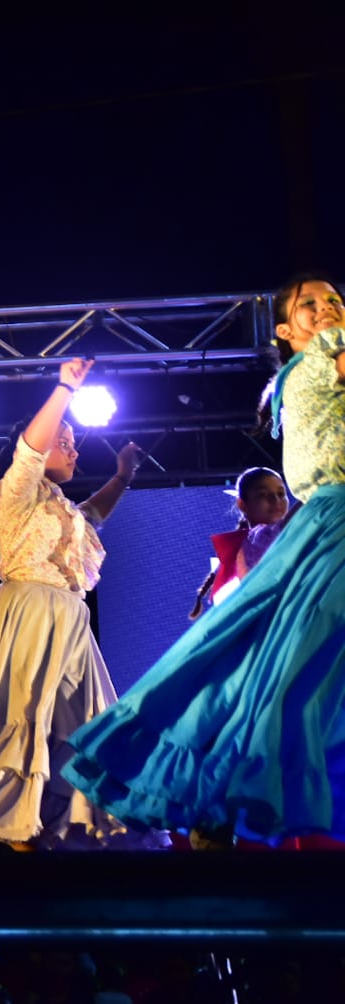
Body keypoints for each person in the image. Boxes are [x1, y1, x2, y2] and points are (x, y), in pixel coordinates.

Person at [63, 276, 345, 846]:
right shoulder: (318, 362)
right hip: (335, 519)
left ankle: (225, 788)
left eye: (334, 299)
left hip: (326, 526)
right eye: (308, 305)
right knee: (293, 668)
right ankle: (217, 784)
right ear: (286, 333)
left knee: (293, 668)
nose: (327, 309)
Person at [0, 357, 151, 852]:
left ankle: (24, 830)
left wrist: (124, 475)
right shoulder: (17, 491)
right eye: (63, 441)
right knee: (20, 717)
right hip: (30, 611)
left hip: (70, 621)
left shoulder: (63, 510)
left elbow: (92, 513)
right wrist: (65, 390)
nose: (72, 449)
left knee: (70, 727)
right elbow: (31, 449)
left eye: (74, 443)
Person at [188, 466, 292, 619]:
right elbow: (300, 515)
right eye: (263, 495)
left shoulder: (244, 544)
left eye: (281, 493)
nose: (275, 500)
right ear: (243, 505)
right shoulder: (259, 538)